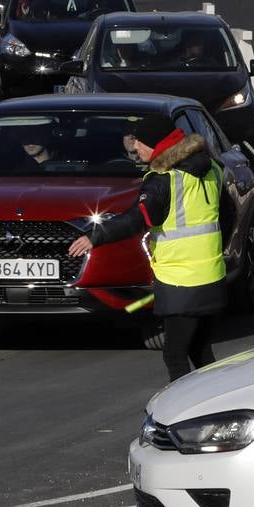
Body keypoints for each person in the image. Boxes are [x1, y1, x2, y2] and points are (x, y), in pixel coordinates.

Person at [67, 113, 225, 380]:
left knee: (174, 354)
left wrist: (94, 237)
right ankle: (216, 404)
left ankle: (181, 413)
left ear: (156, 142)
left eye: (140, 142)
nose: (135, 148)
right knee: (200, 350)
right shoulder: (211, 169)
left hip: (180, 279)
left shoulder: (164, 179)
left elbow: (136, 219)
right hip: (211, 274)